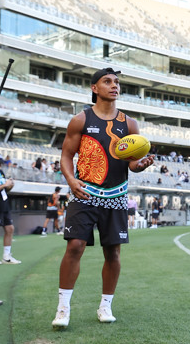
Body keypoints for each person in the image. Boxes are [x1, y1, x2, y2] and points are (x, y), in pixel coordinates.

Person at [51, 67, 154, 329]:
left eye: (117, 82)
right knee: (75, 246)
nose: (114, 85)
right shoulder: (80, 120)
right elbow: (66, 155)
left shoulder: (129, 124)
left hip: (116, 195)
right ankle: (63, 308)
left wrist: (140, 166)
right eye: (107, 81)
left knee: (113, 252)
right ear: (94, 88)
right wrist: (71, 181)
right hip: (84, 192)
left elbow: (131, 164)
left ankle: (105, 306)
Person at [0, 159, 20, 265]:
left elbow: (4, 190)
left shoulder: (1, 172)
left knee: (10, 228)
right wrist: (5, 185)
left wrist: (10, 185)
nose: (0, 166)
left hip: (4, 204)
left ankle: (6, 256)